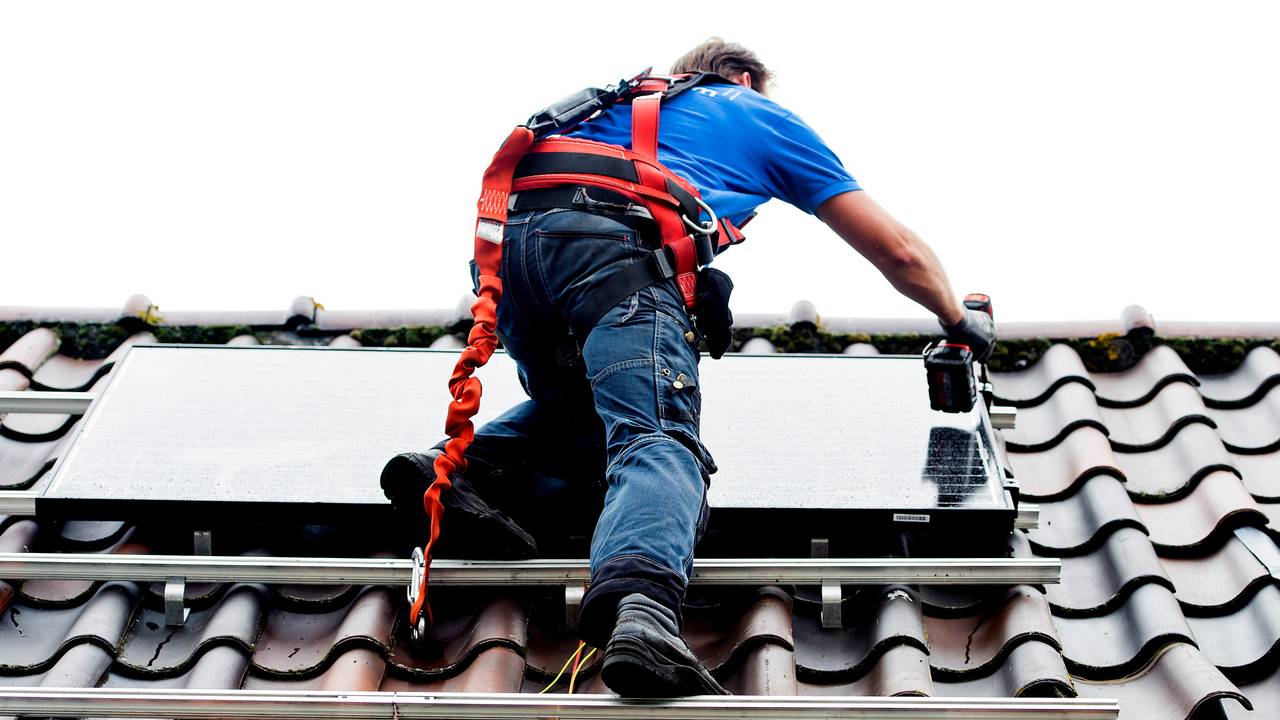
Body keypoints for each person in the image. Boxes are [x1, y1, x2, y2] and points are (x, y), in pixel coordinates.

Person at [383, 38, 995, 697]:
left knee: (587, 416)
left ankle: (456, 469)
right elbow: (898, 250)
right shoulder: (752, 111)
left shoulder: (609, 105)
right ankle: (641, 615)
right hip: (609, 252)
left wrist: (695, 284)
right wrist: (960, 321)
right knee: (657, 436)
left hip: (508, 258)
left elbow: (584, 189)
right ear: (740, 75)